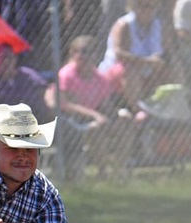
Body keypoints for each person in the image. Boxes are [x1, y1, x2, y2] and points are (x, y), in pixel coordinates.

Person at [54, 35, 133, 177]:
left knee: (125, 121)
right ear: (72, 54)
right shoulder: (66, 74)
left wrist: (118, 115)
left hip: (97, 116)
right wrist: (95, 116)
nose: (84, 56)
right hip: (73, 120)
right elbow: (67, 104)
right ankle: (103, 172)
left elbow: (106, 104)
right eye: (80, 51)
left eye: (89, 52)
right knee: (97, 128)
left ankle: (118, 169)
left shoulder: (99, 76)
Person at [99, 0, 175, 111]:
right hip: (118, 71)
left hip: (148, 68)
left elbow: (169, 51)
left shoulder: (160, 25)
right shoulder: (124, 25)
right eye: (142, 6)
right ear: (133, 7)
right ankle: (139, 110)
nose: (146, 9)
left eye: (150, 6)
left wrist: (166, 62)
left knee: (174, 66)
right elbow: (119, 54)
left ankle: (174, 103)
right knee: (130, 70)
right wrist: (148, 62)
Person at [0, 45, 52, 119]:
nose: (6, 62)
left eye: (9, 57)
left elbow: (45, 91)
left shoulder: (27, 74)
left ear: (15, 60)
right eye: (2, 58)